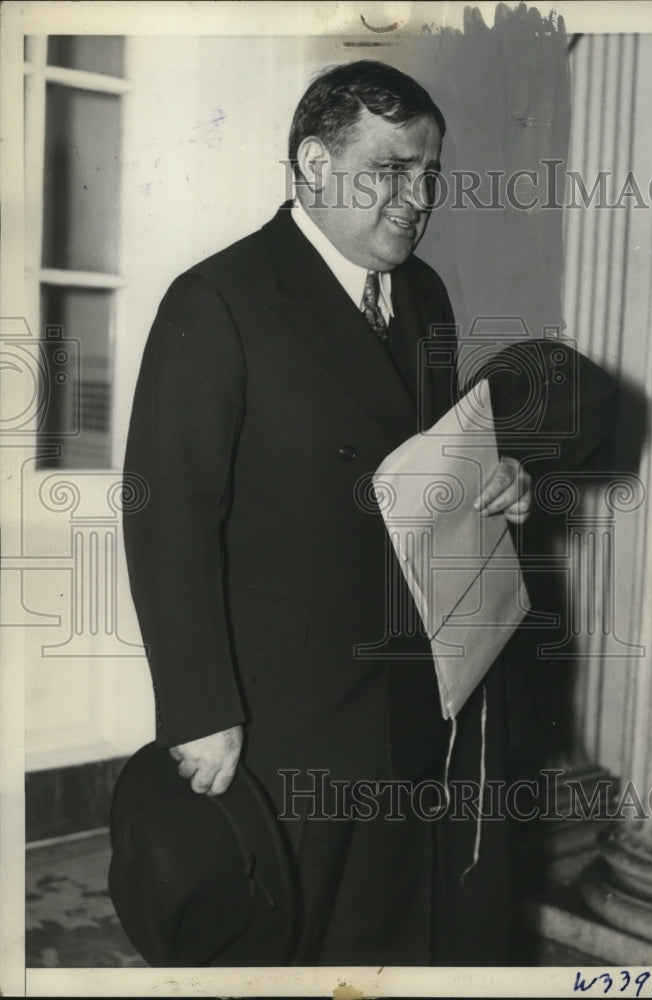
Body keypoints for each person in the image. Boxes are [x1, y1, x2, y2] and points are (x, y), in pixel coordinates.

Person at [123, 59, 533, 966]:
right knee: (283, 949)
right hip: (282, 718)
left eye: (429, 175)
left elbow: (419, 467)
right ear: (313, 163)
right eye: (390, 170)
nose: (417, 196)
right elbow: (166, 521)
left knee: (384, 944)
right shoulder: (217, 301)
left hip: (406, 691)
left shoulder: (424, 297)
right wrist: (198, 708)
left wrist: (493, 480)